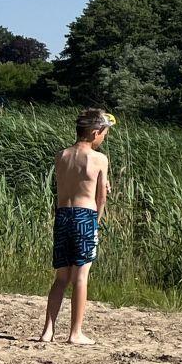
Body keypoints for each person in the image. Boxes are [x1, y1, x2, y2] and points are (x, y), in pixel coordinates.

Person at [39, 109, 113, 346]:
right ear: (95, 132)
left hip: (63, 215)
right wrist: (96, 223)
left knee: (61, 277)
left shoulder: (61, 155)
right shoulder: (99, 159)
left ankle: (48, 331)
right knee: (81, 276)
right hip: (84, 215)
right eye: (104, 134)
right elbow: (101, 197)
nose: (104, 138)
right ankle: (75, 332)